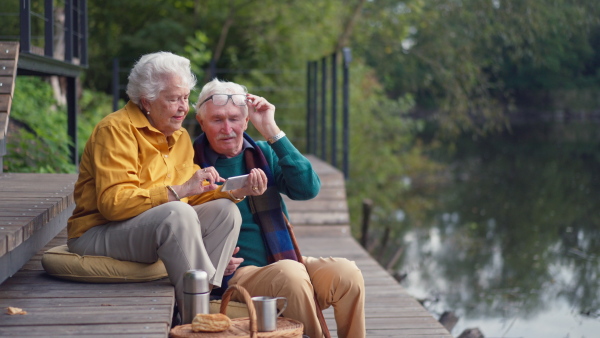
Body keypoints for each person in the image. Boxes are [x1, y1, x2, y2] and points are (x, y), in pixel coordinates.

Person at [67, 52, 257, 319]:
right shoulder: (115, 130)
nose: (184, 107)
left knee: (225, 211)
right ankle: (200, 320)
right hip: (98, 232)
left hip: (148, 229)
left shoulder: (179, 136)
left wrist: (237, 190)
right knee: (177, 212)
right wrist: (177, 191)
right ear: (146, 101)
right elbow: (113, 205)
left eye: (185, 98)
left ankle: (198, 303)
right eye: (173, 99)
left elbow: (193, 192)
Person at [192, 78, 366, 338]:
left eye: (235, 119)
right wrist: (209, 259)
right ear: (201, 122)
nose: (227, 128)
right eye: (217, 120)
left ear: (247, 121)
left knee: (346, 274)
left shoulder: (262, 153)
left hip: (284, 259)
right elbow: (181, 225)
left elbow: (308, 188)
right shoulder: (190, 163)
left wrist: (272, 130)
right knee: (291, 275)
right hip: (238, 274)